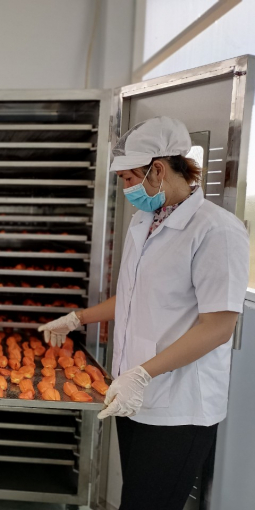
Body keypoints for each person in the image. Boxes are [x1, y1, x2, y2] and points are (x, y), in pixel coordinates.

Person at [38, 116, 249, 510]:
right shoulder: (146, 221)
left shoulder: (217, 231)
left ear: (158, 170)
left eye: (128, 178)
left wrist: (143, 374)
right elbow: (133, 297)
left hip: (179, 405)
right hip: (132, 394)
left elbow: (218, 327)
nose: (125, 189)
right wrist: (76, 319)